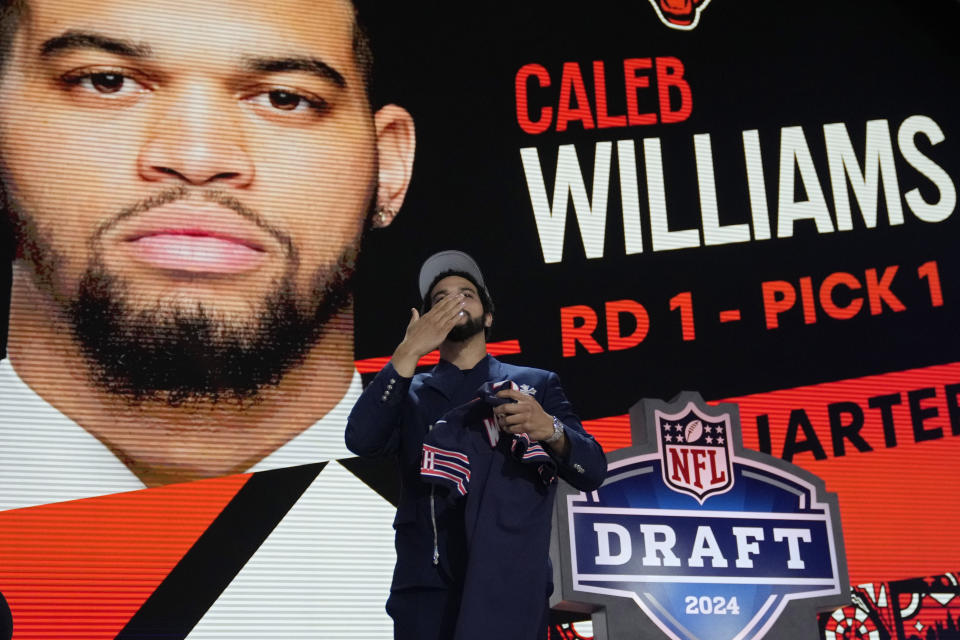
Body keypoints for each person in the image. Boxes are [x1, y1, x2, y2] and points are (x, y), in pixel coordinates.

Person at [0, 0, 414, 635]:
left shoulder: (564, 516)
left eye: (284, 98)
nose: (196, 155)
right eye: (105, 81)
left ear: (388, 167)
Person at [346, 250, 607, 640]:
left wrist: (548, 428)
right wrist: (407, 352)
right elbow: (361, 440)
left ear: (488, 316)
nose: (454, 301)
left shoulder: (536, 384)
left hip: (512, 588)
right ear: (426, 321)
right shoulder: (409, 392)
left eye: (466, 293)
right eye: (441, 298)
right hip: (427, 591)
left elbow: (593, 471)